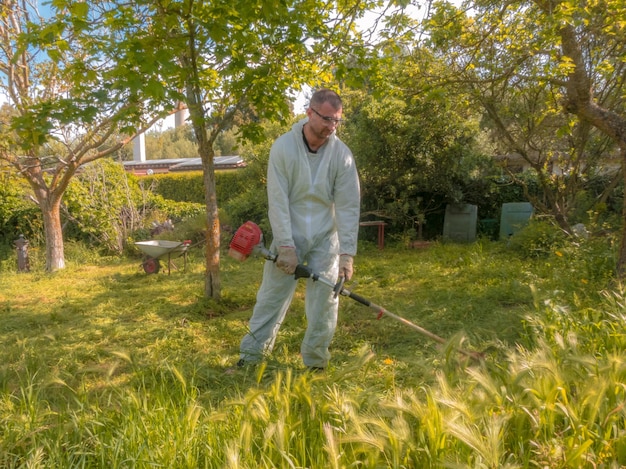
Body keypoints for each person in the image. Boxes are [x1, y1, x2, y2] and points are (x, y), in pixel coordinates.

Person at [238, 89, 361, 371]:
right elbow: (277, 200)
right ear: (310, 113)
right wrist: (285, 245)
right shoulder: (283, 148)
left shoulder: (342, 155)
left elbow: (348, 205)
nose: (332, 126)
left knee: (325, 303)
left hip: (324, 238)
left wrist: (346, 253)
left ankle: (316, 362)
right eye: (327, 119)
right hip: (289, 234)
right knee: (271, 297)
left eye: (337, 121)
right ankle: (251, 359)